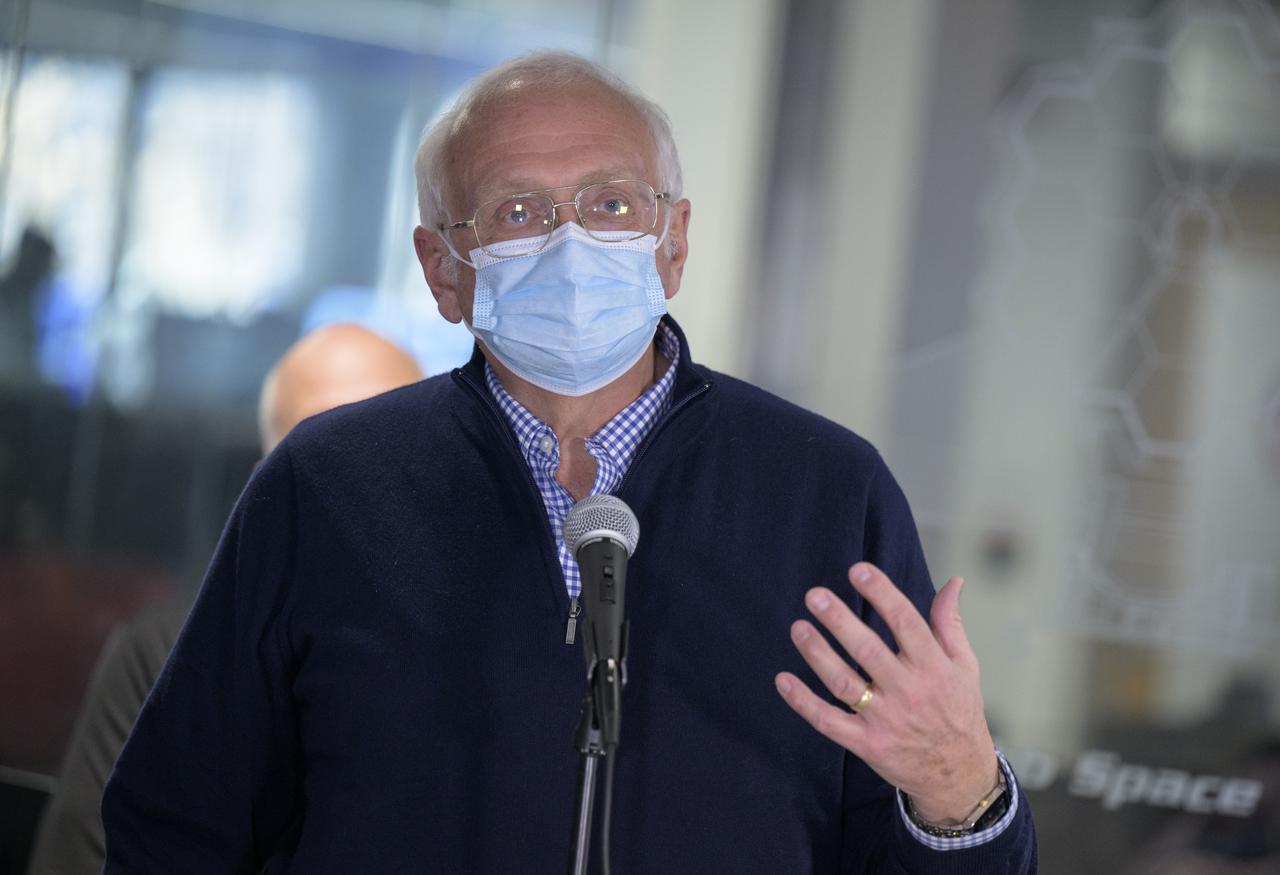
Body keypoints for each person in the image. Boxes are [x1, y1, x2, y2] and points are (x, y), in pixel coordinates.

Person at [102, 52, 1038, 873]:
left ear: (672, 241)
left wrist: (961, 795)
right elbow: (177, 825)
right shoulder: (329, 486)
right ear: (443, 271)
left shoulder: (827, 492)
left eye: (611, 202)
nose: (572, 240)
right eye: (517, 211)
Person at [26, 324, 422, 875]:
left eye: (388, 453)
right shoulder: (169, 658)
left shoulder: (477, 675)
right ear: (266, 487)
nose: (361, 486)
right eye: (324, 452)